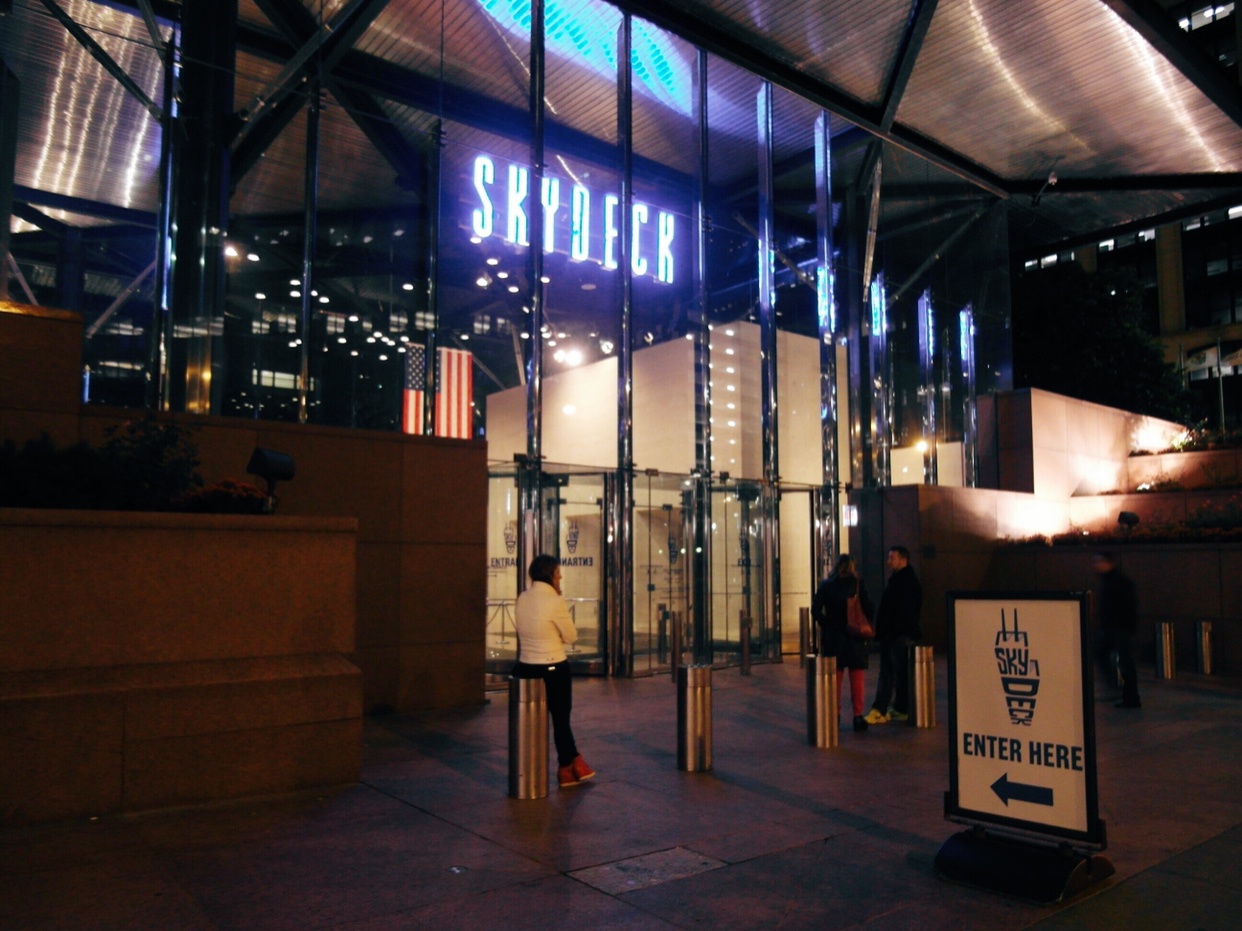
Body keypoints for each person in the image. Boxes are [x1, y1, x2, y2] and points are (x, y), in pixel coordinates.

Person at [513, 554, 596, 787]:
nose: (560, 578)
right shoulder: (555, 600)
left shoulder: (523, 598)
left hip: (526, 667)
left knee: (531, 723)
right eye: (558, 573)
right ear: (549, 574)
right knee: (560, 719)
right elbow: (571, 636)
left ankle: (567, 765)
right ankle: (568, 765)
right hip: (554, 667)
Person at [812, 554, 875, 732]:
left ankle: (835, 715)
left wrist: (827, 625)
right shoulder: (857, 584)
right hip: (854, 636)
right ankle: (858, 716)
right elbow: (869, 607)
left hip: (834, 637)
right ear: (851, 567)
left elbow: (815, 610)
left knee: (835, 678)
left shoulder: (826, 585)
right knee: (857, 677)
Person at [864, 545, 923, 725]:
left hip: (896, 635)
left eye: (892, 558)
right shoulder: (902, 580)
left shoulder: (904, 582)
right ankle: (900, 708)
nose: (889, 561)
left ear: (903, 559)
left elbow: (904, 611)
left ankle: (881, 709)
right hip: (895, 634)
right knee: (896, 673)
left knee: (889, 673)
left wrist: (891, 631)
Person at [1094, 552, 1141, 708]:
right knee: (1116, 659)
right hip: (1114, 627)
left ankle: (1127, 695)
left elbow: (1126, 606)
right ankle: (1124, 693)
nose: (1097, 565)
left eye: (1100, 562)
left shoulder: (1118, 582)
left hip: (1118, 627)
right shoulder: (1111, 580)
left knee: (1125, 662)